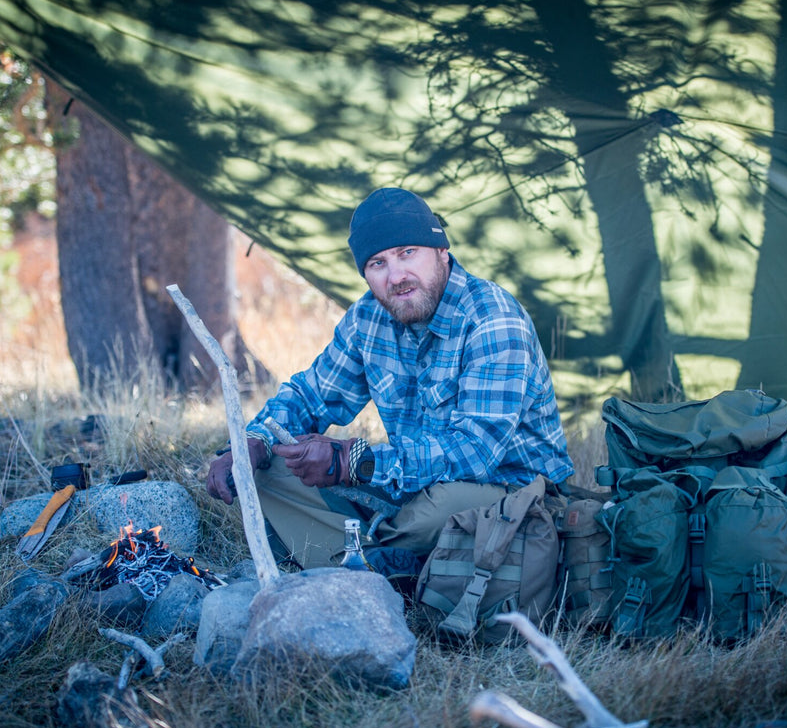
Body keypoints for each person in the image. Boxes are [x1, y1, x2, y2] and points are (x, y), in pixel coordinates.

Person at [206, 187, 574, 571]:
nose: (396, 276)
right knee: (270, 473)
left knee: (440, 513)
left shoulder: (493, 319)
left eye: (407, 253)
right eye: (378, 263)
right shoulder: (368, 317)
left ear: (441, 252)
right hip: (413, 483)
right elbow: (311, 396)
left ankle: (355, 555)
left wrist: (353, 463)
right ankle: (384, 564)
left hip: (511, 490)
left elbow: (476, 454)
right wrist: (254, 441)